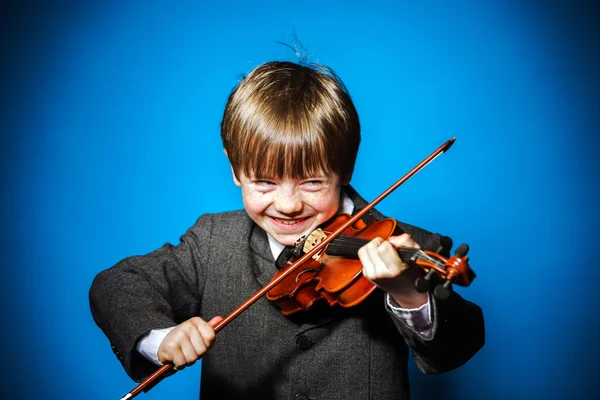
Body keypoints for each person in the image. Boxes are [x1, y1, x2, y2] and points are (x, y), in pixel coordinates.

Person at [90, 60, 484, 400]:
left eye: (312, 182)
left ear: (345, 170)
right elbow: (118, 285)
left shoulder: (412, 245)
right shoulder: (213, 241)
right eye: (264, 182)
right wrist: (161, 339)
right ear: (234, 169)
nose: (288, 204)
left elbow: (456, 347)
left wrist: (406, 292)